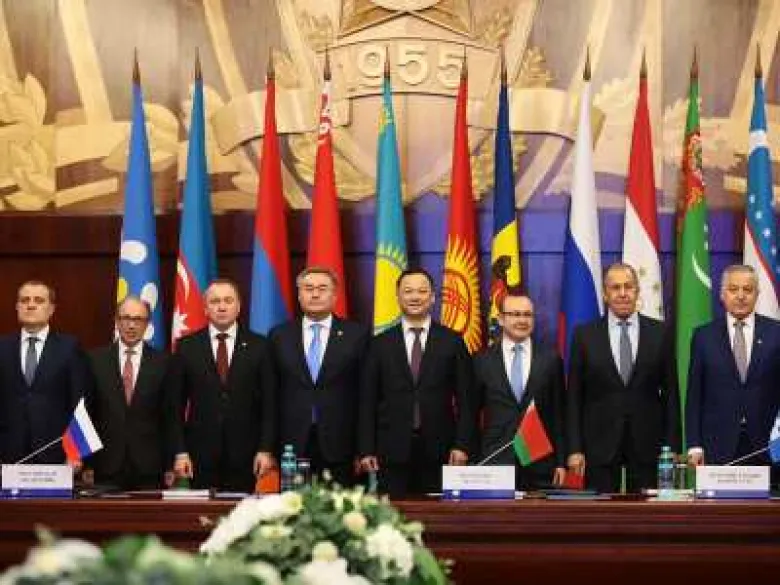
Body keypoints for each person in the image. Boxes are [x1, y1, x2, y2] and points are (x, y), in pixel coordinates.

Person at [358, 267, 477, 498]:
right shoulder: (379, 344)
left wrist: (462, 445)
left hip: (441, 451)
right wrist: (366, 449)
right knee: (392, 515)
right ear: (398, 296)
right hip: (390, 451)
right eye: (408, 291)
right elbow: (367, 401)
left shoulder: (452, 342)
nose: (415, 297)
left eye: (422, 291)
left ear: (432, 297)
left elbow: (467, 401)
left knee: (438, 515)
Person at [566, 263, 680, 493]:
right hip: (598, 445)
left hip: (649, 444)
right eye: (615, 287)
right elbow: (574, 397)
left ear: (637, 291)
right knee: (601, 511)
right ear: (605, 294)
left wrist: (673, 446)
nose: (623, 293)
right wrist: (574, 448)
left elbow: (671, 395)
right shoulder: (584, 335)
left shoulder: (660, 333)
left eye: (629, 286)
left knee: (648, 512)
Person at [170, 279, 277, 492]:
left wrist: (265, 449)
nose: (221, 307)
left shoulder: (261, 346)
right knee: (203, 512)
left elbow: (270, 404)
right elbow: (174, 407)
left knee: (243, 511)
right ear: (205, 308)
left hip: (248, 455)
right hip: (199, 455)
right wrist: (180, 452)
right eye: (215, 301)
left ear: (238, 306)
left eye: (228, 301)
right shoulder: (186, 347)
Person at [269, 267, 369, 486]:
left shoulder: (357, 335)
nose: (315, 294)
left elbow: (365, 395)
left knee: (341, 506)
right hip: (291, 446)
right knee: (292, 505)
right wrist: (268, 447)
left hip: (342, 446)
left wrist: (364, 449)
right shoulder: (279, 335)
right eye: (308, 288)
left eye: (322, 288)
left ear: (334, 295)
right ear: (299, 295)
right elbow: (271, 395)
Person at [687, 264, 780, 470]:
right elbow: (694, 396)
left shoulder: (776, 333)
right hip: (717, 444)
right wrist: (694, 445)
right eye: (733, 289)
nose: (740, 296)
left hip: (768, 446)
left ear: (757, 294)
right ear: (722, 295)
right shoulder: (703, 336)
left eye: (747, 290)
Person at [475, 290, 566, 489]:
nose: (522, 320)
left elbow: (559, 414)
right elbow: (471, 413)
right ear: (501, 319)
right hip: (495, 458)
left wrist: (561, 461)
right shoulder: (482, 361)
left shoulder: (551, 360)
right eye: (515, 314)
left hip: (540, 461)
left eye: (527, 315)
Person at [83, 296, 174, 490]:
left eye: (138, 319)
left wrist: (169, 464)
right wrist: (87, 463)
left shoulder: (164, 363)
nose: (132, 325)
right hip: (105, 464)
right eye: (126, 318)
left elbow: (169, 417)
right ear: (117, 321)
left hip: (150, 467)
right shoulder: (94, 360)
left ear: (147, 324)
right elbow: (87, 414)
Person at [0, 280, 89, 464]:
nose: (30, 305)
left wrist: (76, 453)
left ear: (51, 309)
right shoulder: (2, 347)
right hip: (7, 456)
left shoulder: (69, 348)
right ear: (17, 307)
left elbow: (79, 403)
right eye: (24, 300)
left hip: (55, 455)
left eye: (39, 300)